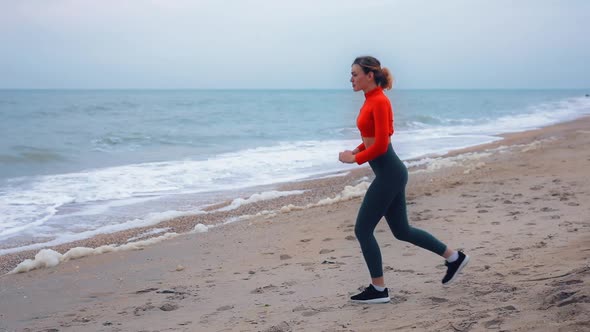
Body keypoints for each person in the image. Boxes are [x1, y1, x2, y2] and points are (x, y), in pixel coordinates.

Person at [338, 56, 470, 304]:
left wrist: (353, 160)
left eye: (355, 74)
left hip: (389, 175)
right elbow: (376, 137)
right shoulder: (372, 101)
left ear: (370, 75)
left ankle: (378, 291)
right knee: (402, 231)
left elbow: (381, 145)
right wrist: (356, 151)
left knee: (363, 229)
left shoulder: (379, 101)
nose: (351, 79)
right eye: (351, 74)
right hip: (392, 174)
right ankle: (454, 258)